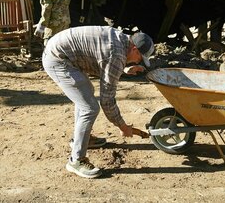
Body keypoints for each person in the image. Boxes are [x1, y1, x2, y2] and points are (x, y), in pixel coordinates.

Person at [42, 25, 154, 179]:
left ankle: (81, 139)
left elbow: (103, 59)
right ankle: (76, 160)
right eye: (140, 58)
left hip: (63, 52)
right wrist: (122, 125)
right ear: (134, 49)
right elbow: (107, 100)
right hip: (58, 59)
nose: (138, 62)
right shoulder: (117, 55)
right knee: (89, 108)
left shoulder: (121, 40)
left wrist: (123, 70)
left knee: (85, 96)